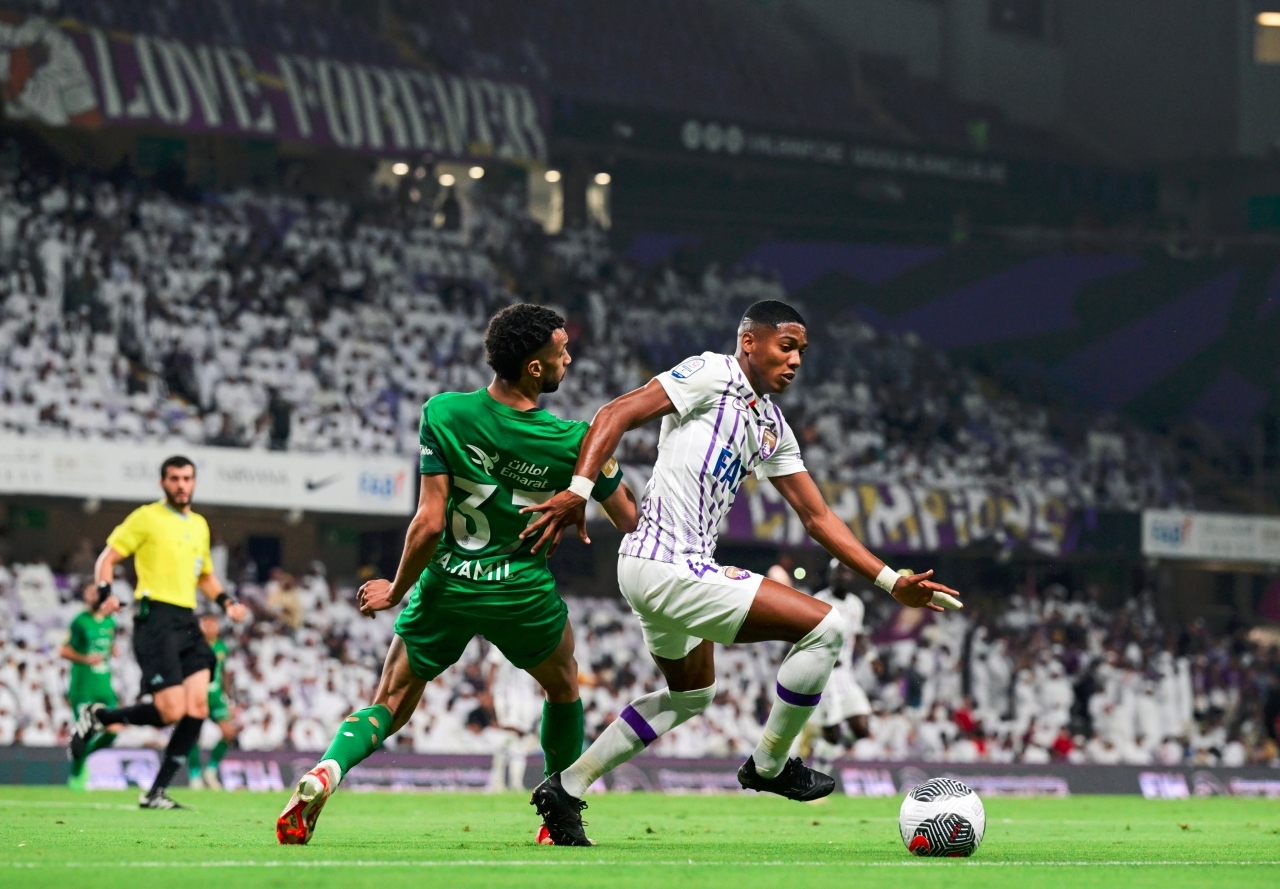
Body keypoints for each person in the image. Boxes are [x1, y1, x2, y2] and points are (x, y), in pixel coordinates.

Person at [520, 299, 961, 845]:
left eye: (802, 351)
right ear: (749, 342)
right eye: (786, 346)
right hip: (664, 562)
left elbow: (818, 517)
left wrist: (892, 581)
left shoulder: (772, 426)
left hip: (666, 569)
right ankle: (770, 765)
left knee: (691, 696)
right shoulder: (712, 373)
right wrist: (579, 491)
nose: (795, 360)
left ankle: (566, 787)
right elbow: (614, 414)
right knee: (826, 628)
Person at [276, 304, 639, 845]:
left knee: (390, 701)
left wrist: (396, 590)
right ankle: (557, 816)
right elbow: (629, 518)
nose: (568, 359)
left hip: (447, 581)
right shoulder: (575, 441)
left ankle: (327, 770)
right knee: (563, 687)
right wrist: (588, 480)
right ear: (534, 368)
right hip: (520, 592)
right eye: (561, 352)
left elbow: (428, 522)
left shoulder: (444, 411)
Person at [69, 455, 248, 809]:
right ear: (162, 482)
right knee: (170, 711)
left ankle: (156, 793)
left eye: (187, 478)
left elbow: (205, 576)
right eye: (174, 478)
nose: (181, 485)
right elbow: (107, 558)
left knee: (197, 706)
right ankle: (99, 717)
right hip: (155, 620)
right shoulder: (146, 517)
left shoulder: (199, 525)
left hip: (187, 621)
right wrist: (105, 592)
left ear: (194, 482)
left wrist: (227, 602)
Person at [808, 559, 873, 776]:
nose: (841, 576)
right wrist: (825, 654)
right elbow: (807, 635)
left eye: (845, 572)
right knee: (832, 733)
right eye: (837, 572)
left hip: (846, 674)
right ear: (829, 576)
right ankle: (817, 775)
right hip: (825, 674)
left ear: (851, 576)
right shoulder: (820, 601)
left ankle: (825, 751)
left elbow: (858, 635)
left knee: (861, 728)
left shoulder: (856, 604)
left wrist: (871, 656)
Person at [61, 583, 123, 790]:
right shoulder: (80, 621)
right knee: (85, 733)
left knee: (114, 730)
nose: (95, 596)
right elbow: (64, 651)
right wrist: (86, 659)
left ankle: (82, 758)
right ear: (85, 597)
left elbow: (108, 643)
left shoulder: (110, 621)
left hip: (104, 685)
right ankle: (76, 774)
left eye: (98, 592)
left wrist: (113, 649)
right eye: (91, 593)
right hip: (83, 686)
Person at [188, 614, 238, 790]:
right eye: (206, 624)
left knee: (229, 733)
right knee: (193, 736)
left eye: (213, 624)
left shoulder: (221, 647)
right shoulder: (194, 646)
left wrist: (229, 698)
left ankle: (210, 770)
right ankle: (195, 775)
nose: (210, 627)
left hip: (216, 697)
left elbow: (224, 673)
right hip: (197, 696)